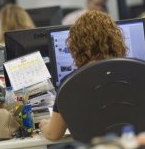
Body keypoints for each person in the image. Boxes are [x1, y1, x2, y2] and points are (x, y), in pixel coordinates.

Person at [39, 10, 127, 141]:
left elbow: (53, 134)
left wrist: (43, 124)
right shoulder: (133, 71)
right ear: (115, 40)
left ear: (76, 46)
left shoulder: (70, 82)